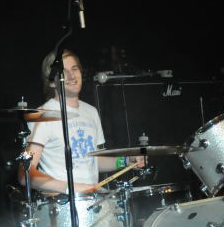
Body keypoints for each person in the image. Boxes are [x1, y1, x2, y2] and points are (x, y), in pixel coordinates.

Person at [20, 49, 142, 193]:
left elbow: (94, 160)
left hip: (92, 199)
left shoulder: (91, 112)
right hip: (61, 200)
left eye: (74, 69)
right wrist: (71, 188)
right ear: (52, 82)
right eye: (64, 72)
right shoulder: (42, 117)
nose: (72, 76)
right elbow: (25, 174)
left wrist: (126, 161)